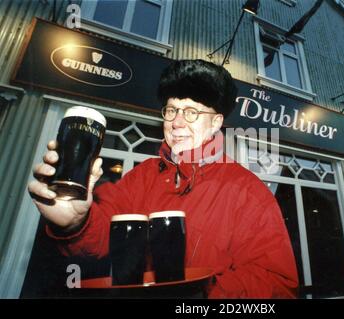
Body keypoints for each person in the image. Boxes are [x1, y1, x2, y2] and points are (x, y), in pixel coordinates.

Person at [28, 59, 299, 298]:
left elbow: (278, 284)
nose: (177, 122)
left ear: (216, 123)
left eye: (191, 112)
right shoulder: (141, 176)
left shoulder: (247, 190)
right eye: (171, 110)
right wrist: (77, 223)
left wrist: (199, 296)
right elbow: (101, 235)